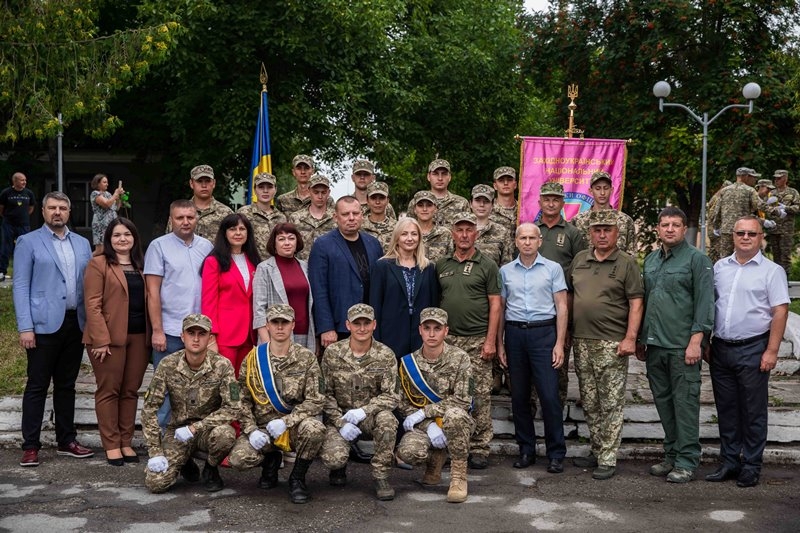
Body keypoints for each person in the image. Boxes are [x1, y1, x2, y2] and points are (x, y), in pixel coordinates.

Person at [13, 191, 94, 467]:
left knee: (67, 385)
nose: (57, 212)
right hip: (43, 326)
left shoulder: (83, 244)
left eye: (62, 208)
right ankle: (31, 445)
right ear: (43, 211)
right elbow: (21, 285)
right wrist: (26, 327)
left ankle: (66, 440)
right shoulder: (28, 242)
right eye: (52, 208)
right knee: (37, 385)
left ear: (69, 212)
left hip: (75, 323)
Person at [707, 216, 789, 488]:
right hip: (721, 348)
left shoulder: (772, 271)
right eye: (740, 233)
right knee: (727, 409)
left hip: (754, 348)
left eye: (751, 234)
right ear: (733, 236)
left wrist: (772, 350)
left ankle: (751, 465)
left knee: (753, 411)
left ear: (760, 237)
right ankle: (730, 461)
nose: (745, 237)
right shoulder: (720, 267)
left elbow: (780, 311)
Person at [637, 206, 714, 483]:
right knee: (664, 404)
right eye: (665, 224)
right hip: (655, 345)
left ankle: (687, 460)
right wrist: (641, 339)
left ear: (684, 229)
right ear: (657, 229)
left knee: (685, 405)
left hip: (683, 347)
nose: (670, 229)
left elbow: (705, 303)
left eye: (676, 224)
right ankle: (671, 455)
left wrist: (697, 341)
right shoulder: (651, 260)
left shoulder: (697, 260)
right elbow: (647, 301)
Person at [567, 211, 644, 480]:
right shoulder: (580, 260)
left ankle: (608, 457)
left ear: (616, 233)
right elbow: (569, 296)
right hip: (582, 341)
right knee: (590, 401)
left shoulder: (626, 263)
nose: (601, 234)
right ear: (590, 233)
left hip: (612, 343)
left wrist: (630, 338)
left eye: (607, 230)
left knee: (610, 402)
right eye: (597, 230)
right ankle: (598, 448)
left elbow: (636, 303)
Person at [228, 304, 326, 504]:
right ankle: (270, 461)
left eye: (285, 322)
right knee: (238, 459)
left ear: (292, 325)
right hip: (262, 428)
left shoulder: (306, 358)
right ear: (267, 326)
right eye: (275, 322)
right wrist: (251, 429)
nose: (280, 327)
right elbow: (240, 400)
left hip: (293, 427)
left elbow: (316, 399)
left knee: (315, 428)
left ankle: (297, 477)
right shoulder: (253, 358)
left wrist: (288, 421)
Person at [141, 314, 239, 493]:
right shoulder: (168, 365)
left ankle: (210, 469)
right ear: (182, 336)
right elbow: (149, 408)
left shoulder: (223, 365)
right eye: (191, 333)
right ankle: (185, 461)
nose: (195, 338)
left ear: (210, 338)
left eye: (201, 334)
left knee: (226, 435)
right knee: (156, 483)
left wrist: (196, 428)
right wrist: (155, 452)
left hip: (207, 430)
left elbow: (234, 407)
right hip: (177, 431)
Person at [498, 223, 567, 474]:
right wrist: (500, 343)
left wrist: (559, 343)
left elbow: (562, 307)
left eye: (531, 238)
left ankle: (556, 453)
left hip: (543, 334)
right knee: (519, 397)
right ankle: (526, 449)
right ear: (516, 241)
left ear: (540, 241)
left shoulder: (553, 269)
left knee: (549, 396)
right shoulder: (505, 271)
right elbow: (501, 310)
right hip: (515, 335)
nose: (527, 242)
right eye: (522, 238)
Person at [436, 212, 501, 470]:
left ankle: (480, 447)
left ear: (476, 233)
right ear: (452, 233)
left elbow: (496, 305)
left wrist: (491, 341)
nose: (464, 235)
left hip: (477, 340)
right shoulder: (442, 265)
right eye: (459, 229)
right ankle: (451, 443)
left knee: (480, 394)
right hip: (448, 341)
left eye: (469, 230)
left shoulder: (487, 265)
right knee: (449, 394)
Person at [82, 218, 149, 465]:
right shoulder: (98, 263)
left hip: (140, 337)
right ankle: (111, 444)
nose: (122, 239)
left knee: (130, 391)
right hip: (108, 339)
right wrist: (100, 340)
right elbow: (92, 304)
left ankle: (126, 441)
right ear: (109, 239)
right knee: (109, 390)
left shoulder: (142, 264)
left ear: (134, 238)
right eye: (117, 235)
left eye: (127, 234)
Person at [144, 199, 214, 429]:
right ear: (171, 220)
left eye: (190, 217)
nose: (185, 222)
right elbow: (152, 292)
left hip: (200, 331)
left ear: (197, 219)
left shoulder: (207, 247)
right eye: (180, 217)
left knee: (199, 390)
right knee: (165, 390)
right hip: (171, 330)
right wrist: (157, 330)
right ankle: (160, 441)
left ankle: (192, 442)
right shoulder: (158, 246)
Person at [319, 304, 399, 500]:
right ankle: (339, 467)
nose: (362, 328)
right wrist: (341, 422)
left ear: (374, 325)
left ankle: (381, 475)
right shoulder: (333, 353)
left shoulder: (385, 354)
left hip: (369, 418)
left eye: (366, 323)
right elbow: (323, 394)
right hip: (339, 418)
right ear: (348, 325)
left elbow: (392, 395)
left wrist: (365, 410)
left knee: (387, 420)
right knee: (333, 458)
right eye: (357, 323)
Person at [396, 307, 473, 503]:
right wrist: (428, 425)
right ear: (420, 329)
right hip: (425, 427)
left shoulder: (460, 358)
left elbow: (463, 400)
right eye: (427, 328)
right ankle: (434, 462)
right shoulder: (408, 363)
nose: (432, 334)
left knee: (455, 415)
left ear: (446, 331)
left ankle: (458, 477)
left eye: (437, 328)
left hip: (455, 423)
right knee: (408, 452)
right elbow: (403, 404)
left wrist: (426, 413)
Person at [535, 180, 587, 409]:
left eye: (555, 199)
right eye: (546, 199)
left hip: (561, 307)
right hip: (533, 308)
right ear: (540, 202)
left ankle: (556, 410)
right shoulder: (531, 231)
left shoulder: (573, 233)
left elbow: (580, 275)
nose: (550, 203)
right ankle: (531, 410)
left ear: (562, 203)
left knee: (559, 364)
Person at [308, 196, 383, 349]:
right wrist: (326, 327)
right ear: (336, 217)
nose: (351, 218)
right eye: (345, 214)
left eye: (355, 213)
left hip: (369, 325)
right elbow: (319, 289)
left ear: (362, 215)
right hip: (339, 326)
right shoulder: (323, 245)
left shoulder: (373, 243)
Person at [369, 217, 439, 359]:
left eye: (414, 234)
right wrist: (376, 340)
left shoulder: (428, 267)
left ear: (419, 238)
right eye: (404, 234)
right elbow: (375, 306)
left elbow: (434, 305)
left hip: (421, 337)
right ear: (397, 237)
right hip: (390, 336)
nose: (409, 238)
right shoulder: (382, 266)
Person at [201, 213, 260, 374]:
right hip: (225, 336)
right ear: (224, 233)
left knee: (244, 384)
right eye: (233, 229)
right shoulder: (213, 262)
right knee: (225, 383)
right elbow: (209, 301)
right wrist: (211, 335)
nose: (238, 233)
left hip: (249, 335)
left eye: (242, 229)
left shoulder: (254, 261)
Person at [252, 223, 316, 352]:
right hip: (275, 337)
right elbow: (259, 310)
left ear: (297, 242)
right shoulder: (264, 268)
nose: (287, 243)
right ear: (274, 244)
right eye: (281, 239)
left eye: (291, 238)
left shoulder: (305, 267)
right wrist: (267, 343)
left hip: (305, 334)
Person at [571, 171, 636, 254]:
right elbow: (573, 256)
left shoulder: (625, 220)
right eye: (598, 189)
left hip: (617, 266)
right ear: (591, 191)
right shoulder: (578, 221)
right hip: (587, 266)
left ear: (611, 190)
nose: (602, 193)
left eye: (606, 188)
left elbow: (631, 255)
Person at [166, 165, 233, 240]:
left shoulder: (226, 213)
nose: (204, 185)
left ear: (214, 183)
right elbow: (169, 240)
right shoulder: (180, 211)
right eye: (199, 181)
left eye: (207, 181)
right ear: (191, 183)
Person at [708, 167, 761, 259]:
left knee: (725, 257)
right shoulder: (750, 190)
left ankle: (725, 273)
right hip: (743, 231)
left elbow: (717, 210)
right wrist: (776, 211)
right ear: (746, 176)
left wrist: (716, 226)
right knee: (744, 255)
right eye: (753, 177)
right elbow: (759, 206)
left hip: (726, 230)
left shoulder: (725, 190)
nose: (754, 180)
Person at [237, 172, 287, 260]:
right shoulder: (243, 213)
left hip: (275, 266)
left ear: (275, 189)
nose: (265, 191)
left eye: (270, 187)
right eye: (261, 187)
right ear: (255, 189)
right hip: (250, 265)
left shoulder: (281, 217)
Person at [288, 173, 336, 261]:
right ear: (309, 191)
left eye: (323, 192)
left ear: (329, 192)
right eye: (316, 192)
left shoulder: (336, 218)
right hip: (302, 268)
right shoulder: (295, 218)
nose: (320, 196)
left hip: (330, 268)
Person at [407, 159, 469, 226]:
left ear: (450, 177)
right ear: (428, 176)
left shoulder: (461, 203)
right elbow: (408, 228)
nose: (440, 178)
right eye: (435, 174)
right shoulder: (416, 203)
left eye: (444, 174)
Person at [0, 171, 36, 281]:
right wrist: (8, 216)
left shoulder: (29, 193)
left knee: (24, 248)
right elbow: (1, 208)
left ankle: (24, 272)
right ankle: (2, 272)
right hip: (8, 224)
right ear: (14, 181)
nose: (24, 182)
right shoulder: (6, 193)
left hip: (24, 225)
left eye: (25, 180)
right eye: (22, 180)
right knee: (5, 247)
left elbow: (31, 208)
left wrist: (23, 216)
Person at [470, 184, 513, 267]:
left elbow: (507, 266)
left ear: (492, 205)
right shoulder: (460, 230)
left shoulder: (502, 232)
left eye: (486, 201)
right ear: (470, 203)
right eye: (477, 200)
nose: (481, 205)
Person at [767, 170, 799, 275]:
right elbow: (767, 210)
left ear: (785, 178)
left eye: (779, 178)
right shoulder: (771, 193)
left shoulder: (793, 192)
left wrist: (786, 208)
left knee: (785, 255)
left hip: (786, 229)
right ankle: (777, 277)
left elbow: (798, 208)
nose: (776, 180)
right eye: (775, 178)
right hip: (774, 228)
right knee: (776, 255)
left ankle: (785, 278)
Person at [411, 190, 453, 263]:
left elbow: (450, 263)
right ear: (414, 209)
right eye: (420, 205)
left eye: (429, 205)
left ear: (436, 209)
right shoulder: (408, 233)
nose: (424, 209)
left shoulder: (445, 234)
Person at [89, 173, 124, 255]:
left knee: (110, 248)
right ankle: (85, 263)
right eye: (104, 182)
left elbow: (116, 208)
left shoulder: (108, 194)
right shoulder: (95, 193)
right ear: (98, 183)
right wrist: (115, 194)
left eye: (107, 182)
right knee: (100, 250)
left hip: (111, 223)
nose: (107, 184)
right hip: (101, 224)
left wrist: (119, 197)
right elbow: (106, 204)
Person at [360, 181, 396, 252]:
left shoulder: (396, 227)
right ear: (367, 200)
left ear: (387, 201)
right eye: (373, 198)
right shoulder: (359, 226)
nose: (377, 202)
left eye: (381, 198)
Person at [706, 180, 733, 264]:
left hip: (712, 227)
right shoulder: (719, 198)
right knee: (717, 250)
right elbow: (715, 213)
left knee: (713, 249)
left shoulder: (715, 196)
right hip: (714, 227)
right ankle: (712, 265)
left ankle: (709, 264)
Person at [490, 166, 518, 237]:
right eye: (501, 180)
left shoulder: (523, 211)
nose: (506, 183)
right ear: (495, 186)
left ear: (515, 185)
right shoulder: (487, 210)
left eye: (509, 180)